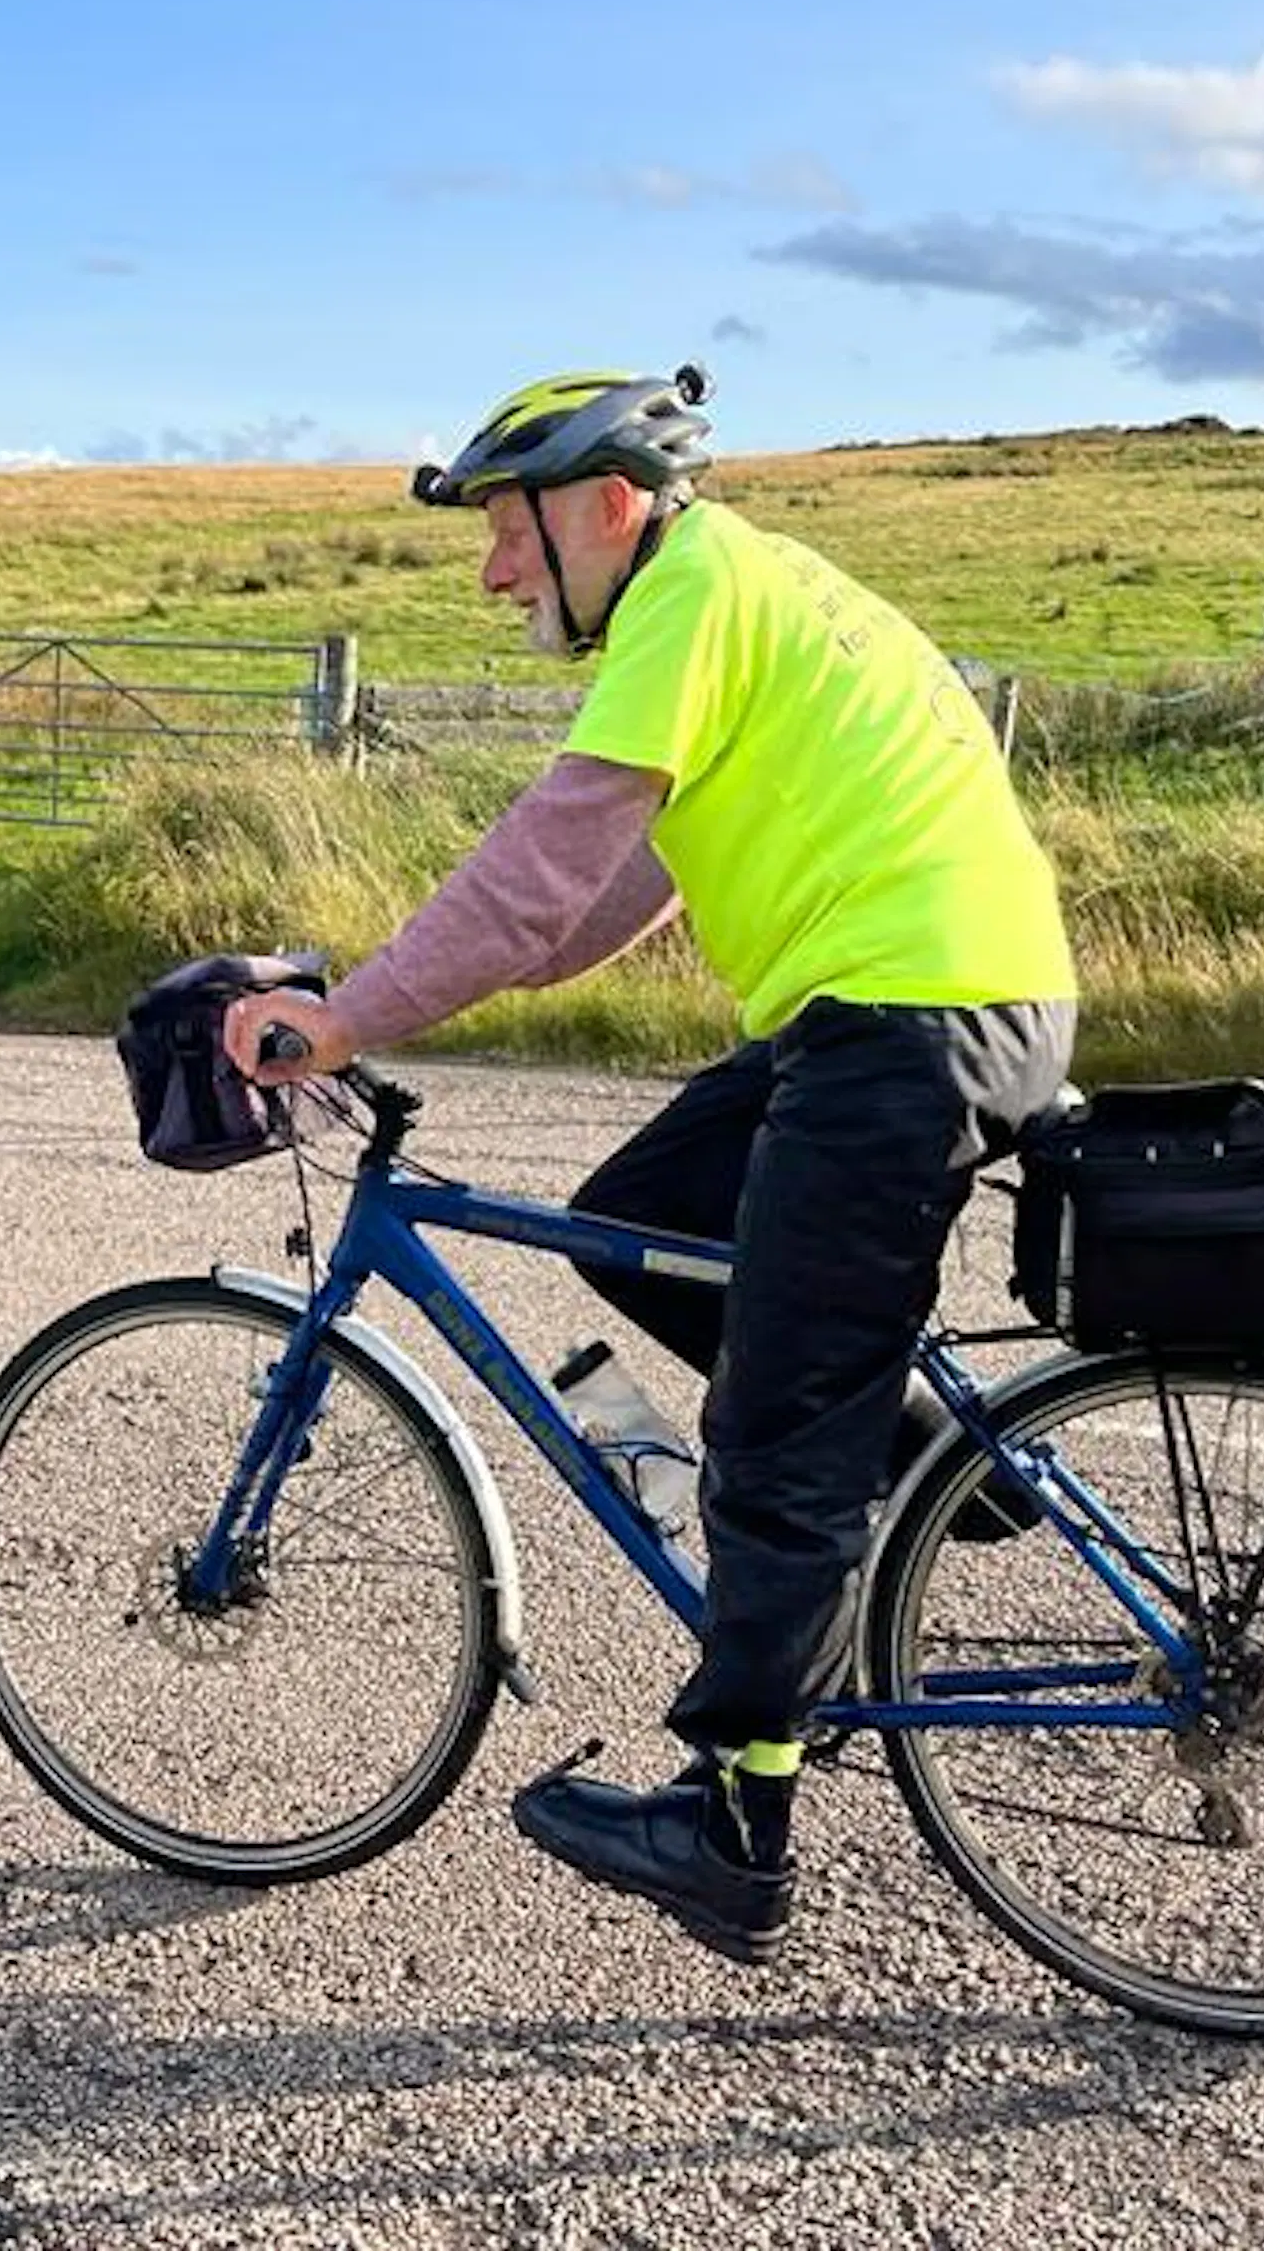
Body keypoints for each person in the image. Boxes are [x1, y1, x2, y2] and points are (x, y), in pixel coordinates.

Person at [221, 364, 1078, 1965]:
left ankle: (737, 1823)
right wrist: (424, 983)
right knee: (636, 1227)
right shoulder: (742, 585)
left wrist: (338, 1026)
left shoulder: (689, 595)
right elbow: (607, 890)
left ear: (604, 505)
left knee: (775, 1421)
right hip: (919, 1002)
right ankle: (934, 1468)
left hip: (905, 1022)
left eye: (506, 531)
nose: (492, 573)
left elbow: (546, 868)